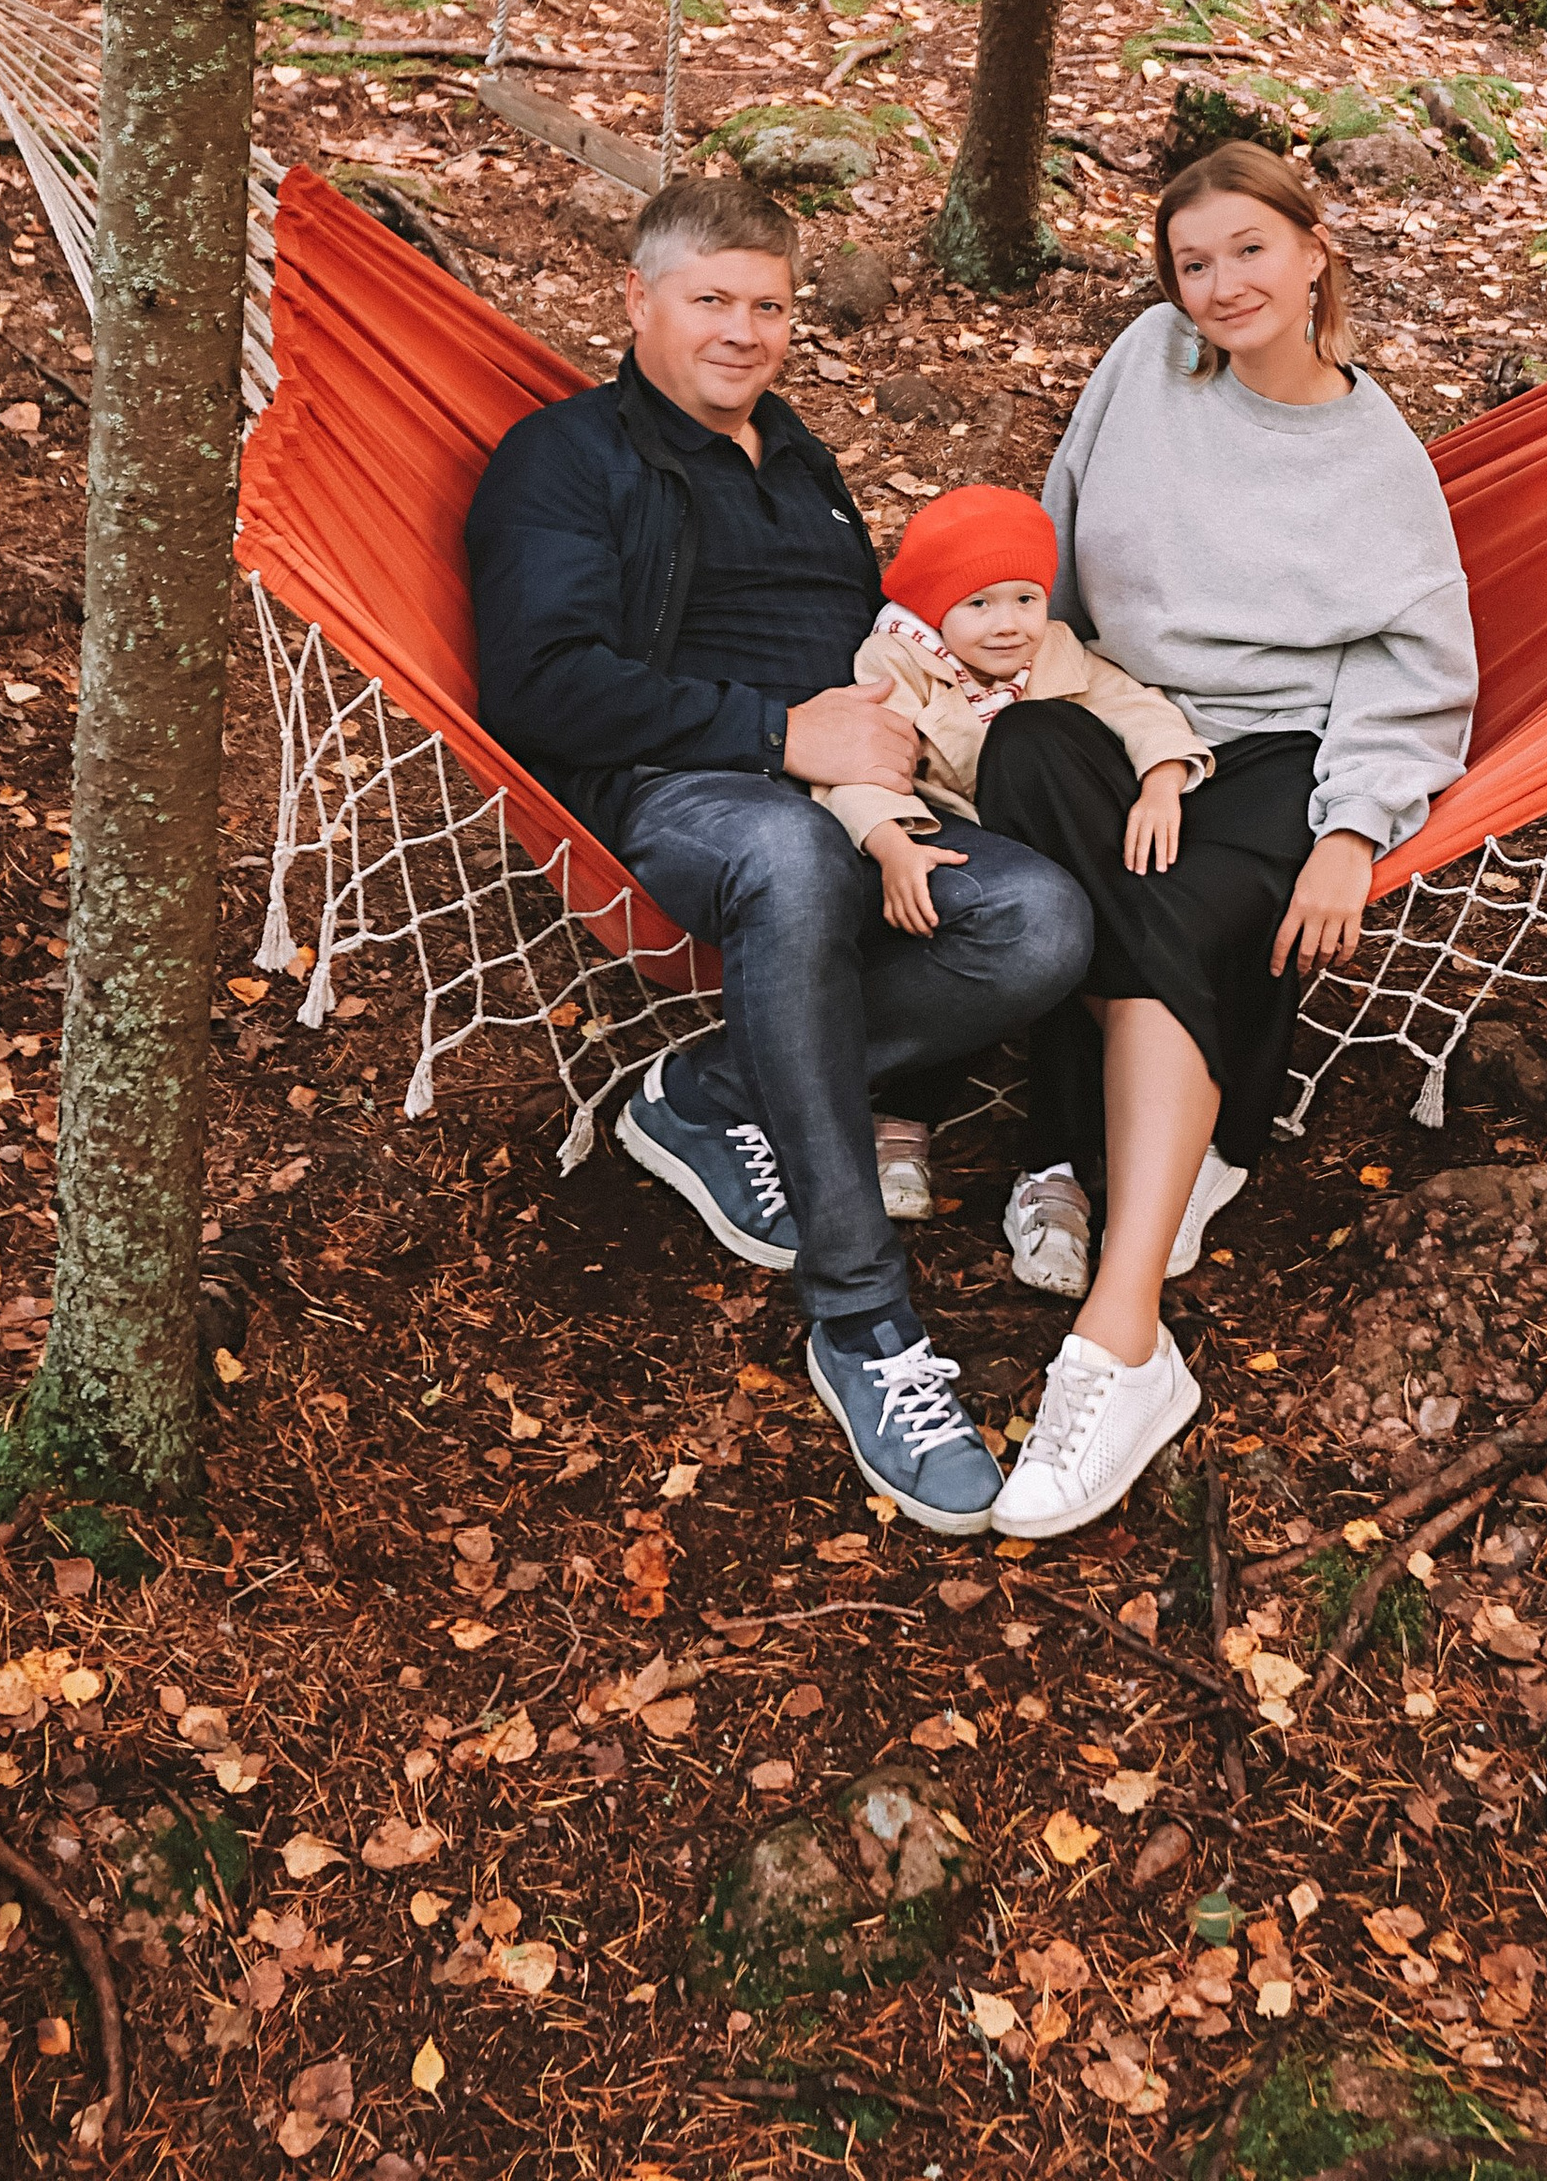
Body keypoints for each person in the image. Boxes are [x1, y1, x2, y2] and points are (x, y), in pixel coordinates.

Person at [463, 175, 1092, 1538]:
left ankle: (715, 1088)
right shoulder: (564, 458)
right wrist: (777, 733)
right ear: (637, 300)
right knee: (794, 861)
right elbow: (535, 682)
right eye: (713, 301)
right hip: (683, 792)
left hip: (857, 791)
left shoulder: (798, 459)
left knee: (1041, 920)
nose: (745, 332)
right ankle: (863, 1324)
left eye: (770, 306)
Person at [976, 140, 1479, 1541]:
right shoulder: (1144, 363)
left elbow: (1416, 666)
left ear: (1315, 251)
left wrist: (1352, 832)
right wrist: (1000, 675)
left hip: (1278, 753)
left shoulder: (1376, 461)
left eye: (1250, 249)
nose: (1220, 284)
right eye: (1192, 262)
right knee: (1022, 755)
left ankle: (1121, 1333)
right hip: (1122, 712)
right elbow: (1060, 542)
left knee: (1172, 917)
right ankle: (1198, 1134)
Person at [813, 486, 1210, 1212]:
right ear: (938, 608)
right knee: (948, 925)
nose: (1008, 624)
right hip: (941, 830)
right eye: (979, 604)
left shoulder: (1054, 650)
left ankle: (1065, 1149)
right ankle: (903, 1109)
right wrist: (892, 844)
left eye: (1026, 599)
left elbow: (1136, 707)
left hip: (1043, 836)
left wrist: (1162, 781)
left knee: (1077, 924)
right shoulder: (898, 661)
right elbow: (861, 766)